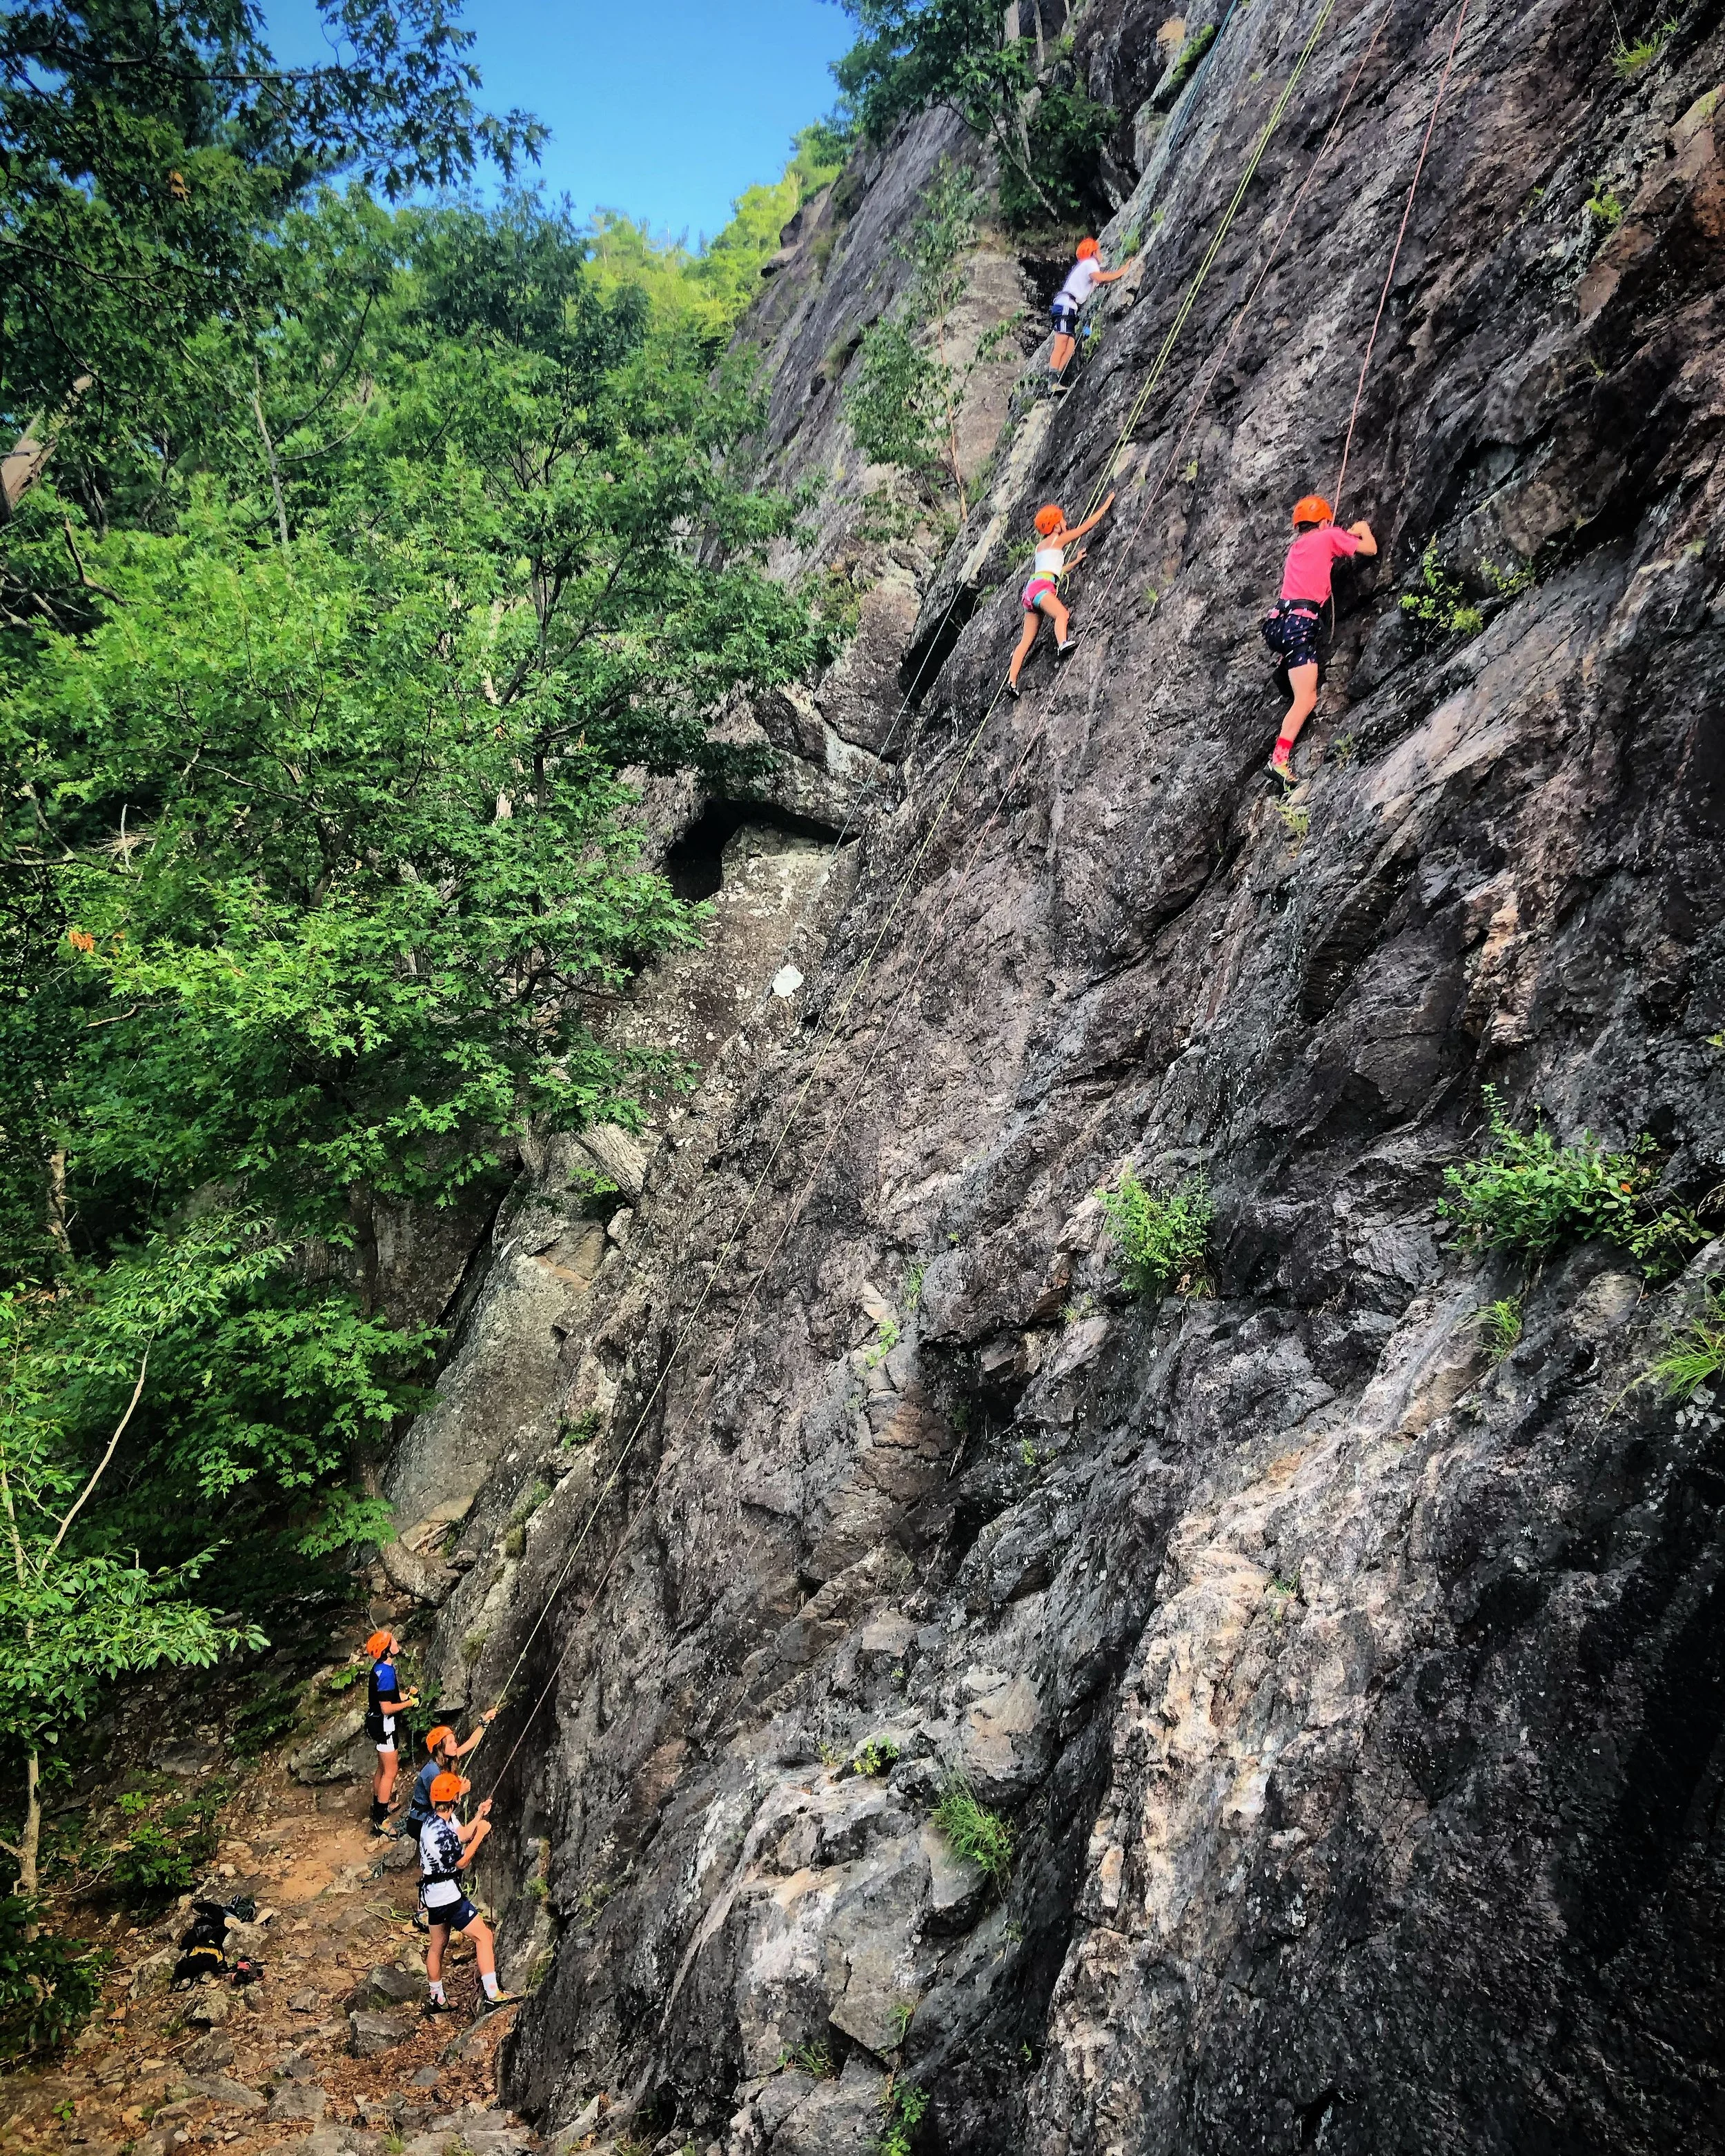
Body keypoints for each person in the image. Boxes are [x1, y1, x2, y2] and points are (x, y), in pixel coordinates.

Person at [1260, 493, 1378, 782]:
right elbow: (1371, 549)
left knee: (1300, 680)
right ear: (1325, 521)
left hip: (1277, 625)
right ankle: (1279, 760)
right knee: (1307, 698)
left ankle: (1287, 668)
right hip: (1300, 626)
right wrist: (1361, 527)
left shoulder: (1297, 548)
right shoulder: (1328, 537)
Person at [418, 1771, 518, 2015]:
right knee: (484, 1936)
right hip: (448, 1896)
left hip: (432, 1895)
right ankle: (493, 1993)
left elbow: (461, 1834)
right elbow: (461, 1861)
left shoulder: (435, 1821)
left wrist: (479, 1815)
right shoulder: (440, 1833)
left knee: (438, 1944)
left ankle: (437, 1997)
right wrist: (481, 1835)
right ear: (453, 1799)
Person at [1007, 493, 1116, 695]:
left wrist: (1075, 561)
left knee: (1026, 642)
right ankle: (1062, 643)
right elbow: (1086, 527)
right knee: (1062, 615)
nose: (1065, 522)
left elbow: (1054, 570)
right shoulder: (1058, 539)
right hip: (1042, 589)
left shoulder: (1041, 547)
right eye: (1062, 520)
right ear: (1055, 525)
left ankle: (1012, 682)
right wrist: (1106, 504)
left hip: (1031, 591)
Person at [362, 1628, 420, 1834]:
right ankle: (380, 1819)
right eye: (392, 1642)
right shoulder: (385, 1673)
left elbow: (387, 1697)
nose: (396, 1642)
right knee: (391, 1772)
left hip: (378, 1723)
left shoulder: (381, 1668)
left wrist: (404, 1696)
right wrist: (410, 1703)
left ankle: (379, 1806)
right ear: (387, 1651)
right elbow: (386, 1707)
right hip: (386, 1725)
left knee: (382, 1769)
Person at [1049, 238, 1127, 384]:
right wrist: (1122, 272)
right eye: (1098, 250)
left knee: (1070, 346)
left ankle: (1056, 378)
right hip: (1066, 305)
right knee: (1062, 342)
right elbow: (1100, 278)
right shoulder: (1090, 263)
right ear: (1093, 252)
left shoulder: (1084, 266)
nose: (1101, 253)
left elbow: (1095, 283)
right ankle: (1052, 381)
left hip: (1068, 306)